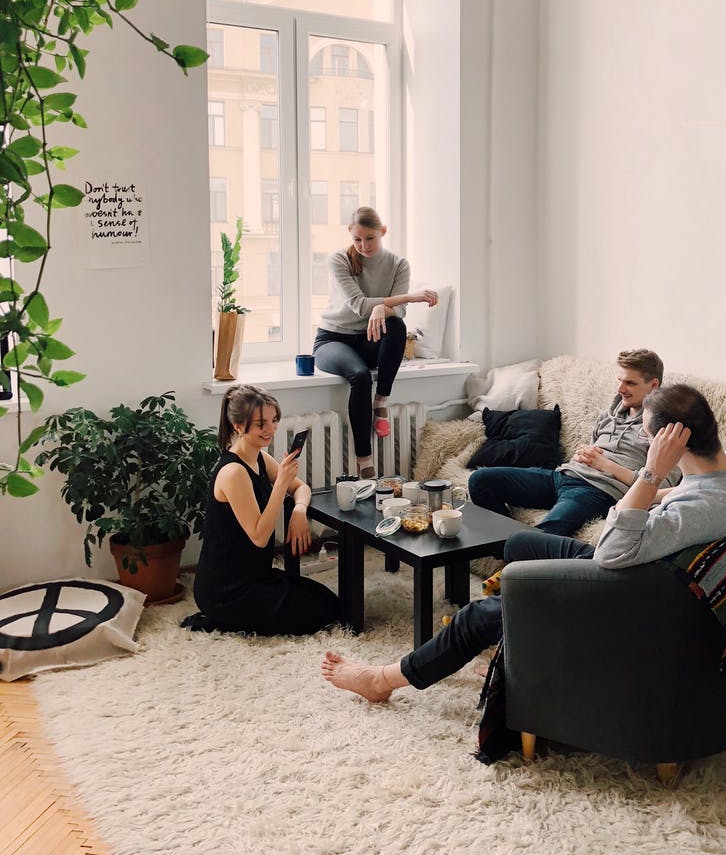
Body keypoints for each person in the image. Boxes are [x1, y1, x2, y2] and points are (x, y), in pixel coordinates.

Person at [321, 382, 726, 702]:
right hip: (641, 558)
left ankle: (382, 680)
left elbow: (611, 549)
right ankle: (519, 641)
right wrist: (656, 487)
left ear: (671, 440)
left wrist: (649, 473)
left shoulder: (699, 508)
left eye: (647, 434)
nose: (645, 440)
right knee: (519, 546)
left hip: (625, 588)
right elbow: (682, 499)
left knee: (478, 614)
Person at [187, 385, 340, 636]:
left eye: (274, 420)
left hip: (256, 576)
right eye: (261, 424)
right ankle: (223, 618)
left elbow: (301, 487)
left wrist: (299, 511)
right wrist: (280, 484)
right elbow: (258, 536)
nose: (270, 429)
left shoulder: (258, 457)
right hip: (226, 589)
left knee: (329, 602)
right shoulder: (233, 471)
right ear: (238, 426)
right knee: (317, 614)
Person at [467, 348, 671, 536]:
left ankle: (516, 560)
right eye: (619, 380)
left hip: (598, 491)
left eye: (630, 383)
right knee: (480, 480)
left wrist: (605, 465)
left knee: (547, 534)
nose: (620, 389)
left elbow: (658, 485)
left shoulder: (664, 427)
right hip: (563, 475)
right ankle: (505, 548)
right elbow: (594, 451)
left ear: (654, 385)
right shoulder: (608, 416)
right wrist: (582, 455)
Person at [313, 206, 438, 479]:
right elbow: (359, 305)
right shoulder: (339, 259)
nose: (363, 245)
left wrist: (384, 308)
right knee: (359, 377)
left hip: (369, 339)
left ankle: (381, 400)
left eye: (370, 238)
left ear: (382, 232)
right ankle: (364, 460)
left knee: (396, 325)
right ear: (351, 236)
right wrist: (408, 297)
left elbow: (399, 314)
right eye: (357, 239)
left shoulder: (398, 264)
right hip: (333, 339)